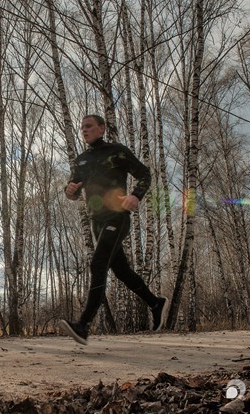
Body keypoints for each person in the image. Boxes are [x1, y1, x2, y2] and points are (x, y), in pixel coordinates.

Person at [59, 114, 168, 345]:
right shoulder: (81, 160)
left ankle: (84, 325)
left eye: (89, 126)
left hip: (117, 216)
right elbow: (74, 190)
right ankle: (155, 303)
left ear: (101, 128)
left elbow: (144, 175)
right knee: (121, 271)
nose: (84, 131)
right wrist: (69, 191)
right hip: (96, 221)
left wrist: (135, 196)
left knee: (98, 263)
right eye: (82, 128)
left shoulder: (117, 151)